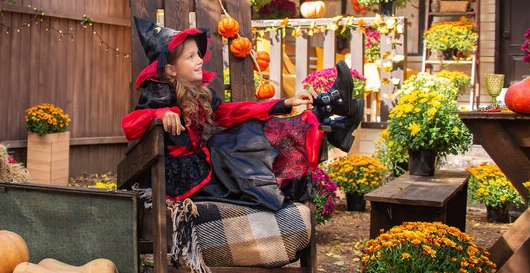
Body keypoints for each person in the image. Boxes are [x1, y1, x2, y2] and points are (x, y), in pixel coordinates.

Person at [122, 17, 362, 211]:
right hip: (180, 178)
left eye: (198, 54)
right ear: (171, 70)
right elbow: (129, 125)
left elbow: (229, 112)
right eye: (191, 56)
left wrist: (283, 103)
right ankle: (327, 115)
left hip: (203, 166)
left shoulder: (198, 92)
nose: (200, 61)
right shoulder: (160, 92)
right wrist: (160, 113)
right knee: (226, 143)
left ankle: (326, 117)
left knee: (241, 133)